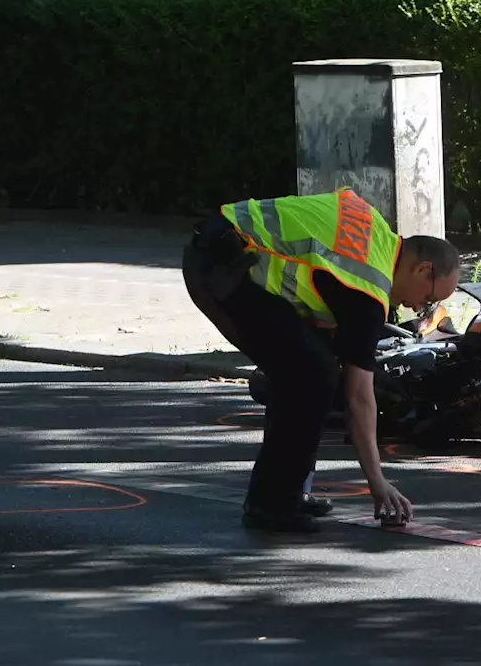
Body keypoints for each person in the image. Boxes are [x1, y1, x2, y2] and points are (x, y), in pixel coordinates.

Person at [181, 187, 461, 533]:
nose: (420, 309)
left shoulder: (375, 231)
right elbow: (360, 398)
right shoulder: (368, 290)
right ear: (422, 269)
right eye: (429, 298)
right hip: (223, 266)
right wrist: (377, 482)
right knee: (313, 375)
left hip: (218, 248)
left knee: (309, 368)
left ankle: (286, 491)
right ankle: (272, 504)